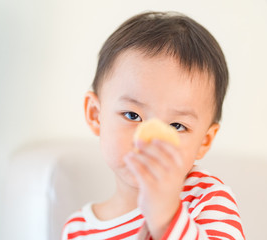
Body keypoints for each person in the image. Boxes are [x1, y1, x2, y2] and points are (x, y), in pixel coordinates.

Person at [62, 11, 245, 240]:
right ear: (95, 114)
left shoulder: (205, 198)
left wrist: (166, 217)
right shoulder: (77, 230)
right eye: (132, 115)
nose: (150, 141)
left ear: (204, 141)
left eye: (177, 126)